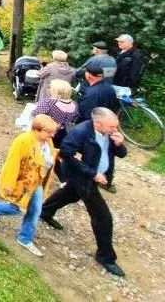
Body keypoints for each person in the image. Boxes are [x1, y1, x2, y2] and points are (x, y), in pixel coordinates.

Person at [40, 107, 127, 277]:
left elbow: (121, 154)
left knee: (70, 195)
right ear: (98, 123)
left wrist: (119, 144)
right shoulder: (80, 133)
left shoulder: (109, 134)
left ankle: (45, 211)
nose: (115, 130)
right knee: (102, 216)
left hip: (89, 177)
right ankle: (105, 257)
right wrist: (93, 173)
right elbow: (66, 153)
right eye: (112, 127)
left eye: (116, 127)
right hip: (82, 177)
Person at [0, 114, 59, 257]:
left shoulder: (47, 142)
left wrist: (61, 155)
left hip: (36, 183)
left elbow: (48, 156)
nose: (52, 135)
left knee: (35, 210)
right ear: (37, 130)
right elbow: (12, 162)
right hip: (23, 183)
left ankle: (25, 238)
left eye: (53, 132)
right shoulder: (23, 141)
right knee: (19, 209)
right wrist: (8, 183)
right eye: (49, 132)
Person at [32, 79, 79, 148]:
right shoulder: (74, 104)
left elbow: (35, 114)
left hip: (46, 131)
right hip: (63, 133)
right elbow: (74, 118)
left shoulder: (49, 103)